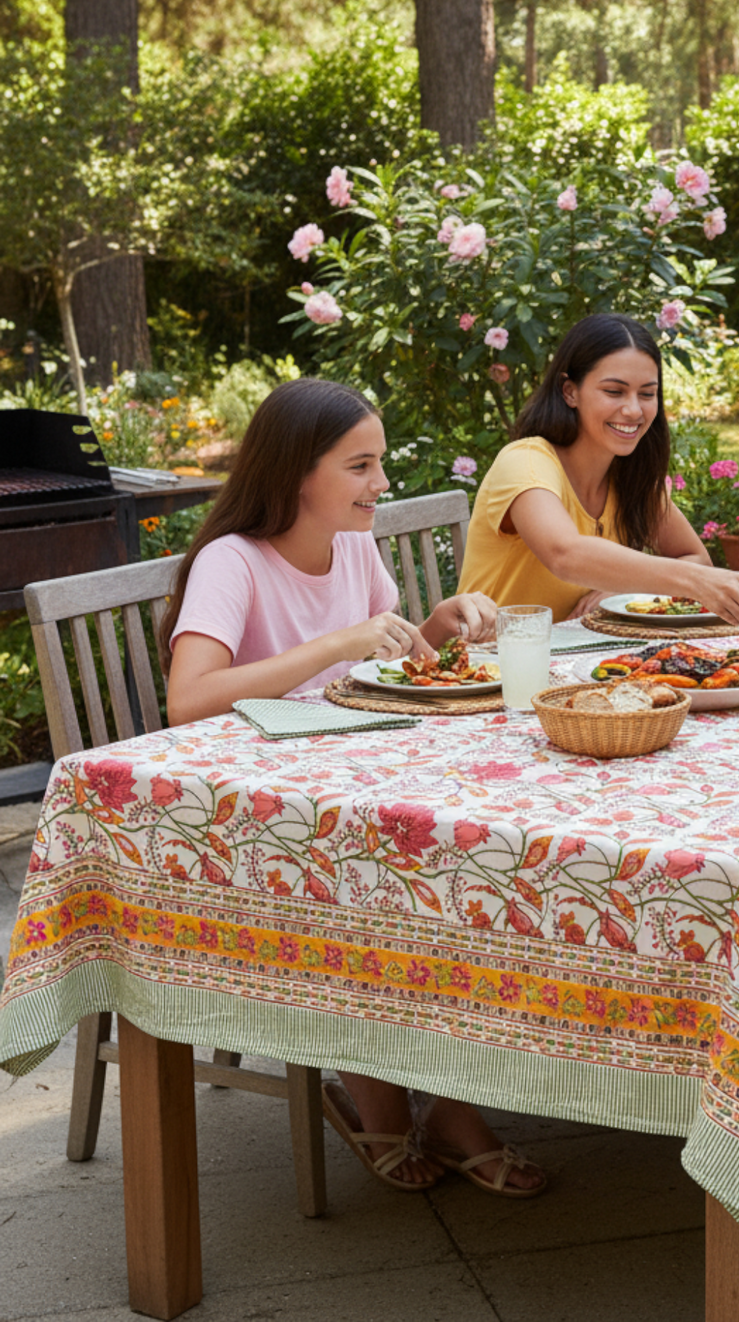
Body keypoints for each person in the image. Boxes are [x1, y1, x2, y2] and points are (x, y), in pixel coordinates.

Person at [161, 377, 545, 1198]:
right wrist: (333, 642)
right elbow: (189, 695)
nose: (380, 484)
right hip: (253, 824)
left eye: (379, 463)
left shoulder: (352, 544)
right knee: (405, 878)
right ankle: (385, 1094)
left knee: (472, 867)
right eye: (360, 465)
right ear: (300, 471)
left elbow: (389, 664)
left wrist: (442, 625)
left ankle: (446, 1099)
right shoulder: (235, 562)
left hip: (349, 786)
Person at [457, 313, 739, 624]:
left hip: (576, 662)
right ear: (570, 391)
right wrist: (692, 581)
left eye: (647, 394)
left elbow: (695, 558)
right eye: (614, 391)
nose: (634, 410)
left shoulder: (628, 477)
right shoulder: (525, 462)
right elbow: (565, 554)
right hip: (483, 669)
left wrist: (620, 587)